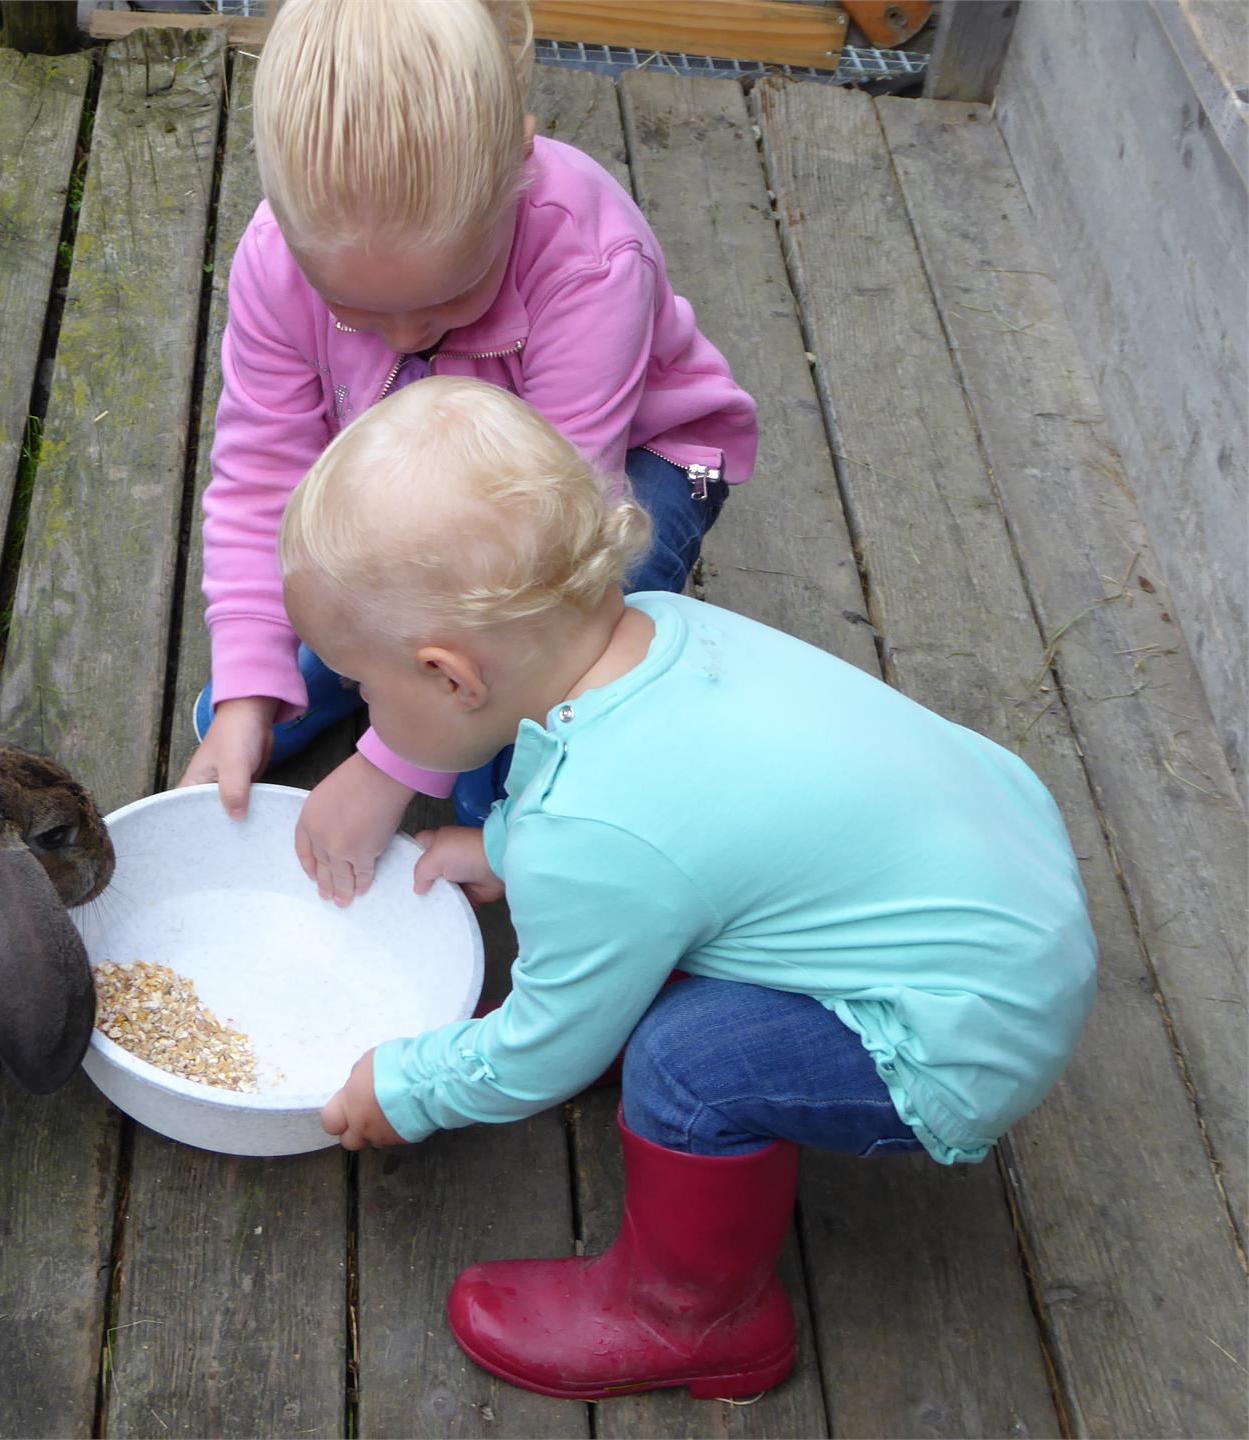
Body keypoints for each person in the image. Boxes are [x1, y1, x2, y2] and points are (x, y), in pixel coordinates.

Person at [281, 377, 1097, 1402]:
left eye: (362, 686)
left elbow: (544, 1046)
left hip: (960, 1033)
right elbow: (680, 817)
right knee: (679, 973)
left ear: (452, 676)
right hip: (1007, 884)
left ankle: (697, 1317)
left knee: (685, 1062)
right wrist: (504, 844)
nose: (360, 705)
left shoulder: (591, 838)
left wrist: (407, 1087)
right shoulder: (655, 627)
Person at [179, 0, 757, 908]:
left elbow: (545, 564)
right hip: (415, 490)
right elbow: (261, 478)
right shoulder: (276, 261)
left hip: (614, 482)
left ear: (516, 169)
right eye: (356, 317)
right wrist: (252, 680)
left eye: (450, 301)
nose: (403, 334)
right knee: (289, 669)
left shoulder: (589, 266)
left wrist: (393, 766)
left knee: (515, 761)